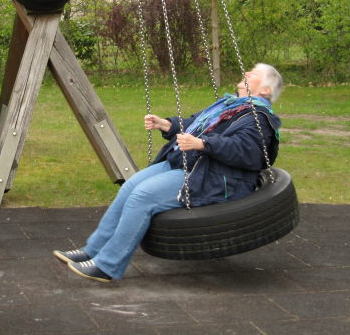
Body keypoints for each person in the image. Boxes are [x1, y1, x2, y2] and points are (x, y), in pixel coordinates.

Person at [53, 63, 283, 282]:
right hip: (189, 163)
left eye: (253, 73)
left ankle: (107, 266)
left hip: (214, 177)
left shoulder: (258, 118)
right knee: (130, 186)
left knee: (142, 196)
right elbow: (194, 123)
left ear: (264, 89)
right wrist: (167, 125)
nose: (246, 72)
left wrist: (203, 144)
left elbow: (248, 152)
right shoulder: (229, 106)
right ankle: (92, 250)